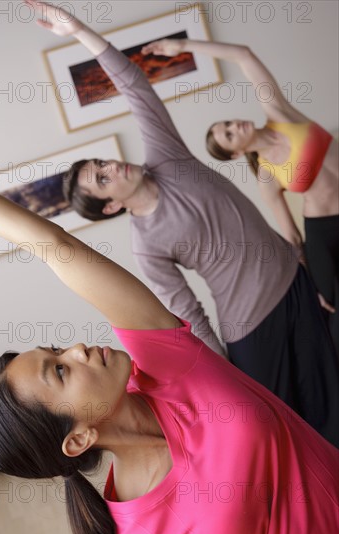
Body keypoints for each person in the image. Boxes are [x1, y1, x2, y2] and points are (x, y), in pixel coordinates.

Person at [18, 1, 339, 447]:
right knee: (290, 430)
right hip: (252, 329)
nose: (112, 166)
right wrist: (225, 373)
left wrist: (78, 30)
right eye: (103, 178)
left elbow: (134, 85)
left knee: (333, 400)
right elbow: (189, 314)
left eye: (101, 163)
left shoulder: (167, 157)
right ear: (110, 207)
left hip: (296, 284)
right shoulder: (146, 245)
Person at [0, 178, 339, 534]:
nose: (77, 349)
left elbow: (56, 247)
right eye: (60, 371)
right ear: (79, 438)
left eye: (56, 350)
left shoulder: (168, 365)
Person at [143, 37, 339, 360]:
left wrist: (184, 47)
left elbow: (244, 55)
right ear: (236, 153)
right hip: (324, 235)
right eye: (230, 133)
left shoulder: (280, 113)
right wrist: (309, 287)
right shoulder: (266, 176)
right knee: (330, 314)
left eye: (229, 123)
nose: (235, 125)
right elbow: (290, 235)